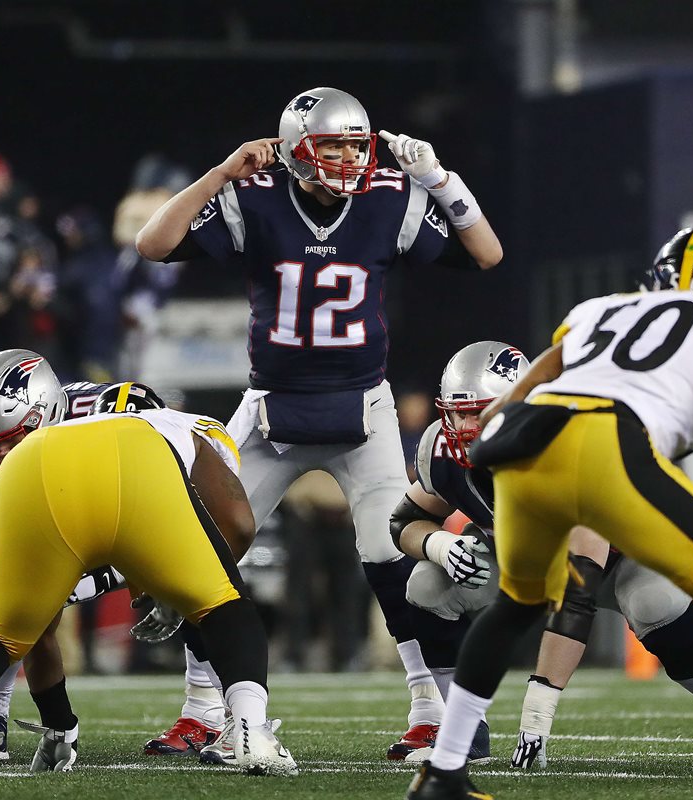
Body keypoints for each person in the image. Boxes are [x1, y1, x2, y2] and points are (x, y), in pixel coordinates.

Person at [135, 86, 503, 759]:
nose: (348, 158)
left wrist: (440, 180)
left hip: (362, 406)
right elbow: (152, 242)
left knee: (392, 559)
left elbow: (486, 253)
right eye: (333, 144)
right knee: (198, 552)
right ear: (297, 148)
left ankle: (431, 708)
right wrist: (221, 174)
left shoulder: (392, 195)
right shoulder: (257, 194)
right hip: (271, 404)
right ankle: (203, 709)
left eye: (357, 145)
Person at [407, 227, 693, 800]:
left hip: (528, 445)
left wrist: (494, 437)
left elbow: (531, 385)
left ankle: (444, 775)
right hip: (607, 446)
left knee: (516, 603)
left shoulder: (601, 310)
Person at [0, 365, 296, 778]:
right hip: (138, 460)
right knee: (225, 604)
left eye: (10, 440)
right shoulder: (179, 427)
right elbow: (238, 526)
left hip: (37, 476)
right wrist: (178, 589)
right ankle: (249, 727)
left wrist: (60, 725)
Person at [393, 341, 693, 770]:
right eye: (457, 412)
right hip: (523, 559)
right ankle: (463, 731)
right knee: (428, 584)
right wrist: (440, 546)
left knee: (657, 604)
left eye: (478, 411)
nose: (464, 425)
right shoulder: (441, 451)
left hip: (619, 559)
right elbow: (403, 521)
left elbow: (577, 590)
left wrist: (538, 713)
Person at [0, 352, 122, 763]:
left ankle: (206, 709)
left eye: (11, 439)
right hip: (57, 534)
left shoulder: (107, 420)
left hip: (130, 522)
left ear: (48, 413)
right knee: (13, 594)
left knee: (198, 591)